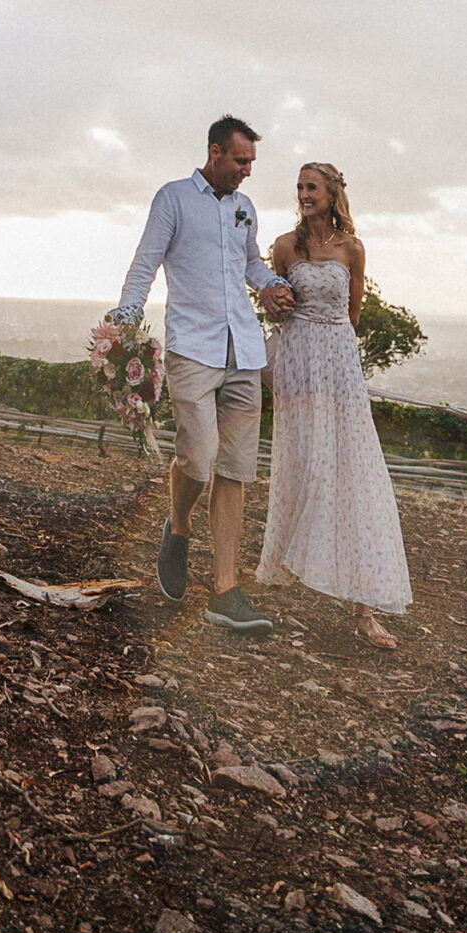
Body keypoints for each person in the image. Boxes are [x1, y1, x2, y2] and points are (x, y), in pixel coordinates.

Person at [107, 114, 294, 632]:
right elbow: (145, 263)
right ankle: (180, 523)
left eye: (251, 162)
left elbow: (250, 264)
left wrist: (271, 285)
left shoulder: (244, 209)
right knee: (199, 455)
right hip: (192, 349)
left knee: (234, 468)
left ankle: (225, 591)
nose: (247, 172)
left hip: (245, 353)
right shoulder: (172, 199)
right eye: (240, 161)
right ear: (215, 153)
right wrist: (123, 325)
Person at [257, 160, 411, 644]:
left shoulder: (352, 250)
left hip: (339, 363)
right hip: (298, 361)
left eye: (312, 188)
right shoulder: (284, 247)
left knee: (351, 470)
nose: (304, 194)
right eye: (300, 187)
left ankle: (364, 611)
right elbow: (274, 303)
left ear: (332, 195)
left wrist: (332, 353)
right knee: (303, 463)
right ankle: (293, 559)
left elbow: (352, 314)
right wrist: (275, 304)